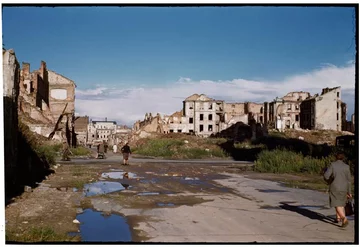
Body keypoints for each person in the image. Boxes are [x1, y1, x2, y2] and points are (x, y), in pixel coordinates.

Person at [323, 152, 352, 227]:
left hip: (335, 187)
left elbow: (326, 176)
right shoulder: (346, 166)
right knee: (341, 204)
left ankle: (344, 218)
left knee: (336, 204)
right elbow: (349, 180)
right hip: (344, 188)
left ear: (336, 157)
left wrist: (330, 181)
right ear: (343, 158)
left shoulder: (333, 165)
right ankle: (338, 218)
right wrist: (349, 192)